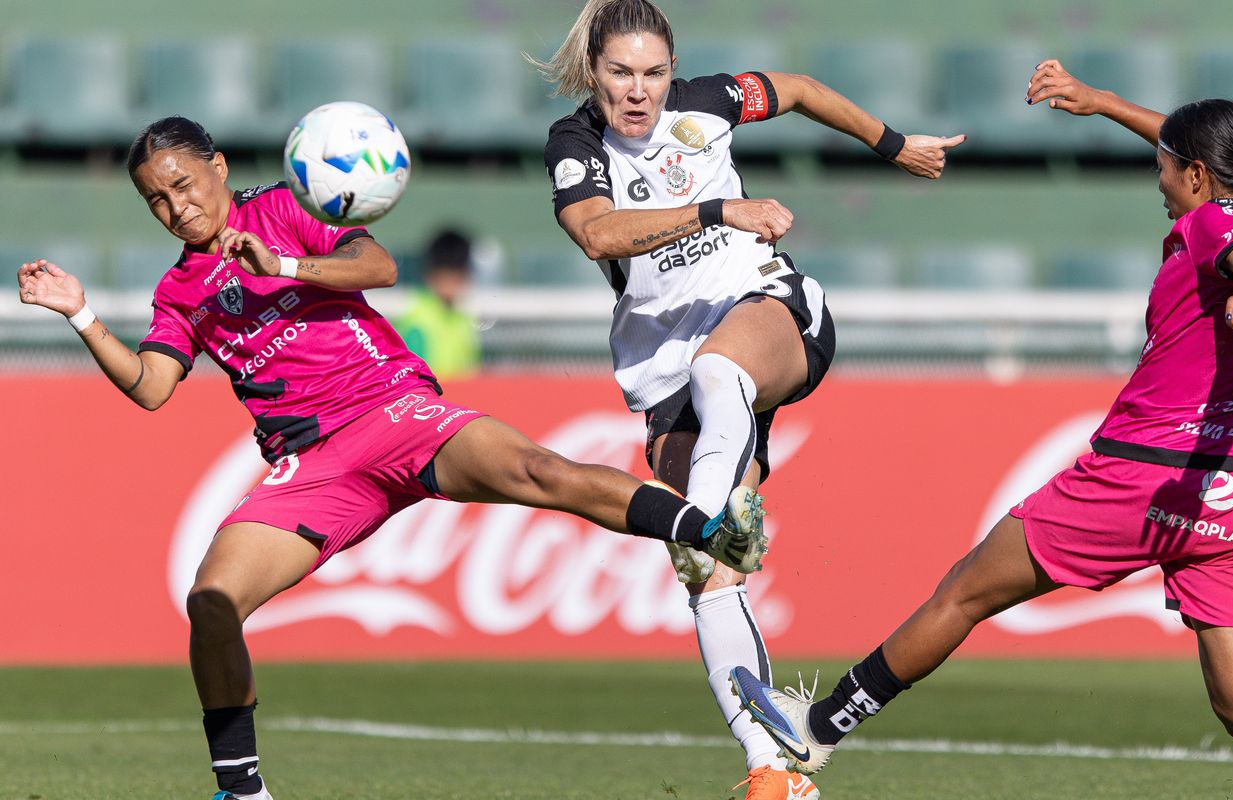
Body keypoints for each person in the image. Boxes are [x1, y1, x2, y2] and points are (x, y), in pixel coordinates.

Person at [730, 62, 1233, 800]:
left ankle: (818, 729)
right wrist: (1104, 103)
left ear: (1198, 177)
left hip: (1139, 478)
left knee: (963, 594)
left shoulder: (1218, 225)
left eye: (1165, 168)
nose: (1159, 179)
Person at [14, 115, 764, 800]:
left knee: (540, 473)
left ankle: (707, 531)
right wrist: (80, 313)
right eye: (156, 201)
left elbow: (376, 268)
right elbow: (150, 388)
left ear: (215, 166)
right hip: (312, 467)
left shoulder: (282, 207)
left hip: (392, 410)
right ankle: (240, 792)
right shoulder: (180, 291)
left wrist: (281, 264)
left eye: (182, 184)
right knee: (211, 603)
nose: (176, 208)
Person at [534, 1, 965, 797]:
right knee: (707, 575)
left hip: (770, 314)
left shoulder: (708, 104)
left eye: (654, 73)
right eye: (621, 73)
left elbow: (795, 88)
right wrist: (717, 209)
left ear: (674, 69)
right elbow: (597, 233)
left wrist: (893, 143)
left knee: (719, 377)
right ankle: (773, 762)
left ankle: (709, 518)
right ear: (593, 71)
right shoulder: (576, 145)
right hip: (664, 369)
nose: (639, 91)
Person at [395, 228, 481, 381]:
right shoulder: (415, 321)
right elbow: (415, 380)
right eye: (446, 275)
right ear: (430, 274)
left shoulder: (464, 319)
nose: (452, 282)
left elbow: (471, 373)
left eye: (458, 274)